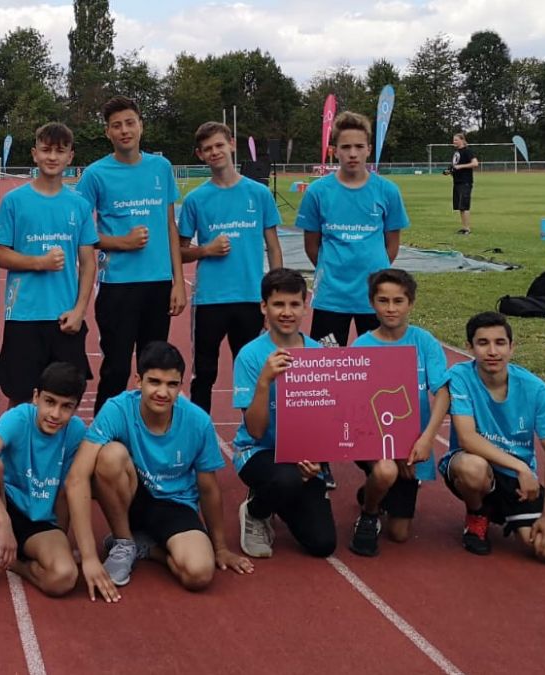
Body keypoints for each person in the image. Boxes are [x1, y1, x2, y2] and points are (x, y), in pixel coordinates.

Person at [64, 341, 253, 602]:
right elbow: (76, 477)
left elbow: (208, 488)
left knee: (198, 575)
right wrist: (89, 559)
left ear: (180, 386)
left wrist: (220, 548)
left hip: (175, 503)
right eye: (154, 382)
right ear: (138, 381)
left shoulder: (198, 421)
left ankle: (149, 547)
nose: (162, 392)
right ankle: (124, 541)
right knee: (110, 456)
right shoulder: (117, 409)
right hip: (131, 496)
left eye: (172, 385)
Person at [297, 110, 409, 488]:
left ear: (369, 148)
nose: (353, 153)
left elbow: (391, 243)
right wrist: (335, 270)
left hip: (374, 303)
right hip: (331, 299)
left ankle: (377, 453)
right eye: (345, 147)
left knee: (378, 379)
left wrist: (376, 278)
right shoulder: (318, 192)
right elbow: (312, 244)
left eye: (360, 146)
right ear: (334, 150)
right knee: (326, 379)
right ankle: (323, 457)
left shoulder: (386, 191)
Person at [76, 96, 186, 415]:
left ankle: (148, 437)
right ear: (107, 132)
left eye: (130, 123)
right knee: (117, 369)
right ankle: (103, 439)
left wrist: (178, 282)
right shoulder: (95, 174)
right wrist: (121, 242)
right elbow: (79, 233)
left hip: (158, 284)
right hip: (117, 287)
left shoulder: (161, 167)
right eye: (116, 126)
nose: (124, 130)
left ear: (141, 126)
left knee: (154, 371)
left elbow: (169, 225)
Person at [438, 311, 545, 562]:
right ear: (469, 347)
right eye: (483, 343)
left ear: (512, 347)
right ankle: (477, 513)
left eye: (500, 343)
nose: (492, 351)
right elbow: (467, 438)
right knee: (472, 468)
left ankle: (510, 513)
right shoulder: (459, 377)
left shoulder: (534, 388)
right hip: (477, 465)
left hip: (517, 482)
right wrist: (521, 467)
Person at [0, 362, 87, 598]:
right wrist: (3, 522)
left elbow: (70, 488)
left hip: (39, 520)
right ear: (36, 397)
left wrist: (62, 542)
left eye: (66, 406)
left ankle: (12, 562)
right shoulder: (19, 417)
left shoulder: (76, 432)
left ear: (76, 408)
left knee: (64, 577)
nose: (56, 414)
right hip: (4, 505)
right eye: (50, 402)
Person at [0, 122, 97, 407]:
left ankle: (60, 453)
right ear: (34, 154)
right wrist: (39, 262)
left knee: (65, 398)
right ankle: (19, 452)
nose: (52, 157)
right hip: (24, 316)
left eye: (60, 151)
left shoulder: (79, 205)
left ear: (70, 157)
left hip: (64, 319)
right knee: (21, 397)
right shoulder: (14, 201)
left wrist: (79, 311)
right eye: (46, 150)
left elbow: (88, 262)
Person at [232, 268, 336, 559]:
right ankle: (256, 511)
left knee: (322, 543)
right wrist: (265, 380)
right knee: (286, 479)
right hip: (258, 451)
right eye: (278, 304)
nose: (287, 312)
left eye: (294, 304)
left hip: (302, 455)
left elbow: (329, 420)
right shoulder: (251, 356)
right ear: (264, 307)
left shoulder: (320, 355)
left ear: (306, 305)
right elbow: (254, 430)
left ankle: (281, 496)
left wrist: (318, 459)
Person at [178, 121, 283, 413]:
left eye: (219, 145)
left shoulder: (259, 194)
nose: (215, 152)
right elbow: (179, 252)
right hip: (211, 300)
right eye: (208, 148)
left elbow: (273, 246)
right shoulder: (196, 199)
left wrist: (274, 294)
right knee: (205, 374)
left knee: (250, 371)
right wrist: (206, 250)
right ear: (200, 155)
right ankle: (199, 438)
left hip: (250, 298)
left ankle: (253, 436)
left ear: (232, 144)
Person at [348, 268, 450, 556]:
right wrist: (391, 452)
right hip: (372, 440)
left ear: (411, 303)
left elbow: (442, 392)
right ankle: (369, 513)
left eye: (398, 301)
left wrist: (426, 438)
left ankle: (373, 490)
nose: (390, 308)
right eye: (383, 301)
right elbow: (354, 405)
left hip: (412, 443)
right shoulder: (361, 346)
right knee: (386, 469)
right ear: (372, 303)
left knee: (399, 534)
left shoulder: (424, 342)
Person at [446, 132, 478, 235]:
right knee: (460, 206)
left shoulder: (467, 151)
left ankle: (467, 229)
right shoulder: (456, 152)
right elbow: (455, 166)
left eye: (456, 140)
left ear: (462, 140)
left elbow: (475, 163)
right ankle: (464, 227)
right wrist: (449, 171)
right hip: (457, 181)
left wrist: (460, 167)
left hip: (465, 181)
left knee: (465, 205)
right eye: (453, 140)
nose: (453, 142)